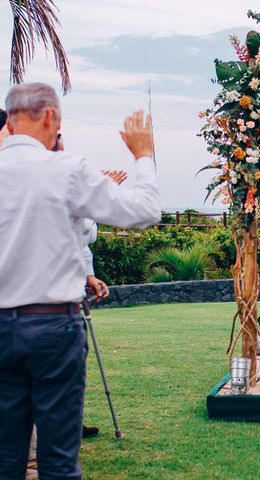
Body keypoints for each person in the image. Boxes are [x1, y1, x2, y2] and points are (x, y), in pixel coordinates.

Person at [0, 82, 160, 479]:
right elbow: (144, 210)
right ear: (50, 117)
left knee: (5, 459)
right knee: (58, 460)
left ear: (10, 118)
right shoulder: (67, 170)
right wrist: (143, 155)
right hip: (54, 325)